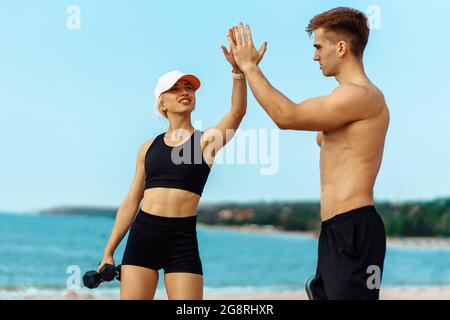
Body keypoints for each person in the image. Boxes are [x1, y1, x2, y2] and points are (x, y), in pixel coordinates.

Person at [227, 7, 389, 300]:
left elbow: (286, 117)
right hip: (335, 229)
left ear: (341, 48)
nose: (315, 56)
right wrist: (241, 74)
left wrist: (251, 68)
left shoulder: (361, 96)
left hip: (354, 228)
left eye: (318, 47)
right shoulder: (342, 100)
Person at [96, 28, 266, 300]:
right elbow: (131, 201)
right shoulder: (147, 148)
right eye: (174, 89)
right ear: (161, 102)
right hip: (142, 238)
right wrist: (108, 252)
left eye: (188, 88)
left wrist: (239, 72)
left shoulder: (206, 142)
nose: (184, 92)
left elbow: (237, 112)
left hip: (182, 241)